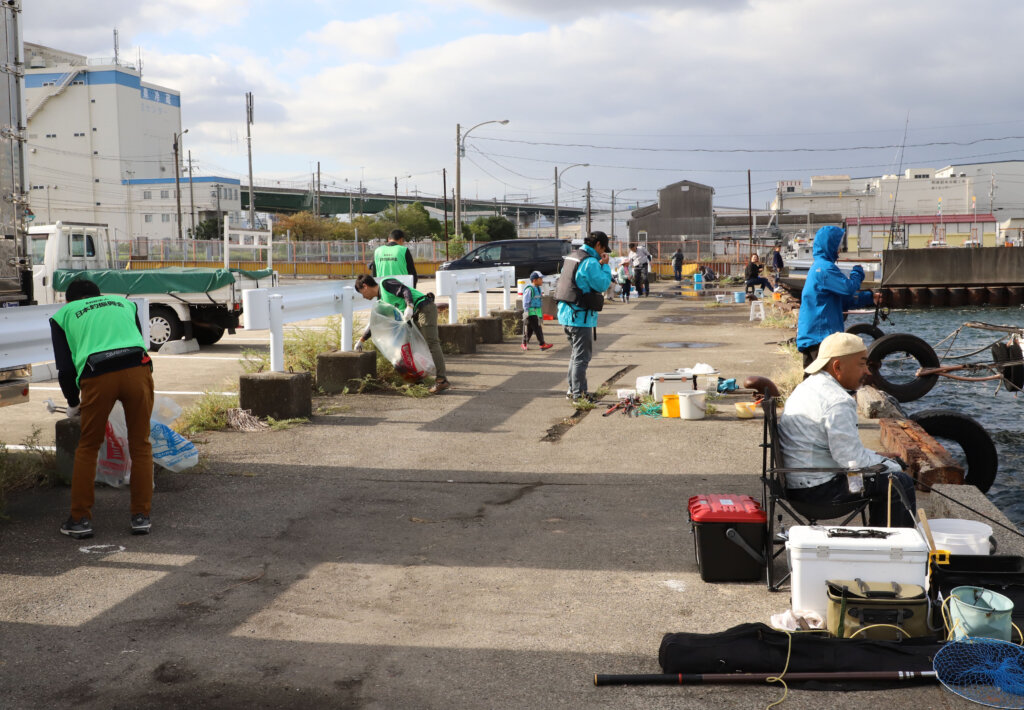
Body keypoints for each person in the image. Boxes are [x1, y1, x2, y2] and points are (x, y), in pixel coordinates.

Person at [49, 279, 155, 539]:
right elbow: (136, 341)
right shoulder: (124, 304)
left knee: (89, 445)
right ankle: (141, 516)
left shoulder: (63, 315)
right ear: (98, 295)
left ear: (69, 300)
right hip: (138, 370)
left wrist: (73, 403)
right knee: (140, 444)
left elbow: (65, 369)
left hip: (97, 375)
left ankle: (80, 519)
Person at [778, 332, 916, 528]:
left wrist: (877, 456)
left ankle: (883, 543)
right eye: (862, 364)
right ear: (837, 366)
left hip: (800, 484)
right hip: (821, 492)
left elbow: (844, 452)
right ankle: (896, 549)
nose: (868, 371)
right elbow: (852, 461)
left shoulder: (808, 386)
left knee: (886, 475)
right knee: (898, 482)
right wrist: (893, 465)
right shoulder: (838, 401)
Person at [796, 225, 876, 371]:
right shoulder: (825, 268)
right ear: (829, 244)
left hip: (812, 334)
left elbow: (843, 300)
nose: (839, 249)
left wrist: (871, 298)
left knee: (813, 382)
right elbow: (848, 288)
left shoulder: (819, 267)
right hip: (820, 337)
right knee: (825, 381)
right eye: (838, 244)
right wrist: (857, 272)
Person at [354, 274, 449, 393]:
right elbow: (376, 324)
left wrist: (409, 305)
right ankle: (417, 381)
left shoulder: (385, 284)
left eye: (361, 292)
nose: (363, 296)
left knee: (432, 343)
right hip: (413, 317)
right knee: (406, 349)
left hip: (423, 307)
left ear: (365, 286)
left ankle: (442, 380)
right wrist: (362, 339)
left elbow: (405, 290)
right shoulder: (382, 302)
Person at [555, 231, 612, 402]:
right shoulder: (590, 262)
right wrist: (605, 265)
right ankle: (578, 395)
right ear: (599, 245)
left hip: (566, 313)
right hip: (580, 317)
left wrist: (598, 263)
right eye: (604, 248)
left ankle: (573, 390)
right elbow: (602, 283)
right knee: (581, 357)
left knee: (575, 355)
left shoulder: (574, 256)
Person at [521, 271, 552, 351]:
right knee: (538, 329)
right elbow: (526, 301)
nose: (542, 280)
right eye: (540, 279)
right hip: (531, 313)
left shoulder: (537, 288)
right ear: (534, 280)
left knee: (530, 329)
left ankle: (524, 343)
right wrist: (526, 311)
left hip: (536, 313)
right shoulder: (530, 289)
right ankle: (542, 344)